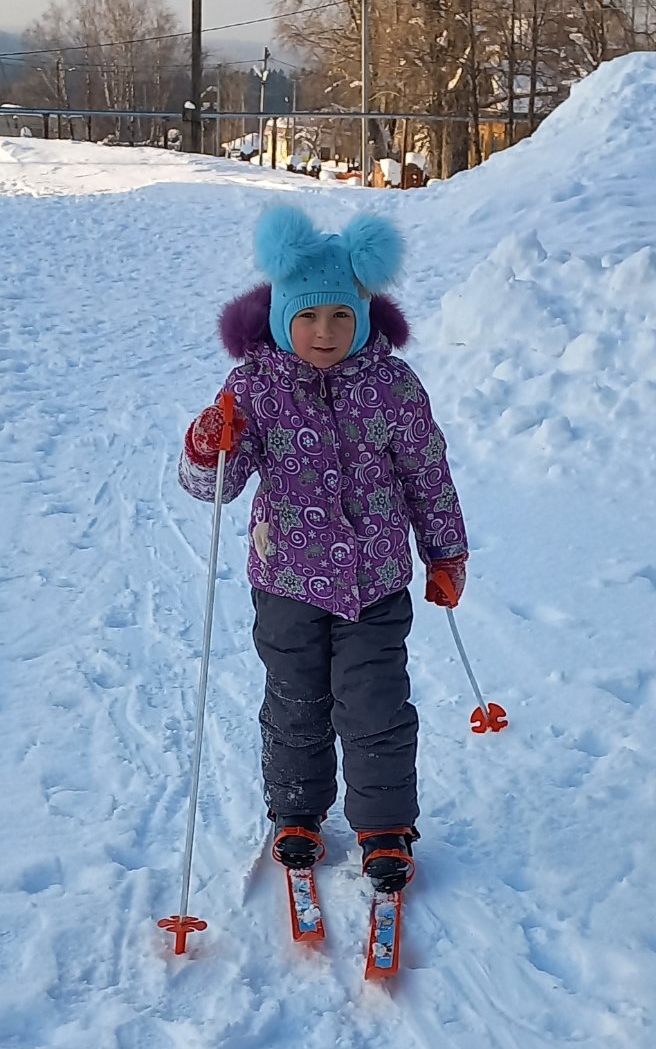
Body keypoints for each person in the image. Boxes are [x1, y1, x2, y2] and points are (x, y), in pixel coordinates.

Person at [179, 203, 468, 892]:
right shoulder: (252, 386)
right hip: (285, 581)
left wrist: (444, 552)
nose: (324, 331)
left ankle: (384, 826)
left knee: (375, 706)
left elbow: (425, 471)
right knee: (295, 702)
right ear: (282, 316)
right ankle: (297, 813)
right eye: (308, 316)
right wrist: (205, 448)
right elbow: (214, 486)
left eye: (340, 315)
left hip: (375, 583)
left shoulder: (391, 386)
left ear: (363, 314)